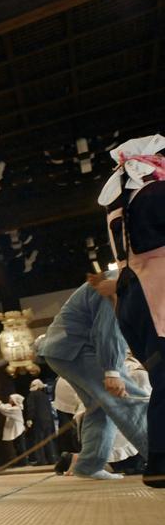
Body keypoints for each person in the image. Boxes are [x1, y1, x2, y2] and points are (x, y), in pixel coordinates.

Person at [99, 136, 165, 486]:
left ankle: (158, 460)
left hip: (132, 290)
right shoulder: (154, 193)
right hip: (157, 287)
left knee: (161, 377)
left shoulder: (118, 201)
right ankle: (159, 462)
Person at [37, 274, 149, 480]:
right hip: (76, 348)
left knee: (100, 410)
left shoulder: (131, 280)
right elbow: (108, 328)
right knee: (128, 400)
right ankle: (160, 456)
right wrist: (112, 370)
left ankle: (88, 464)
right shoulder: (119, 282)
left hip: (65, 350)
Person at [25, 379, 57, 465]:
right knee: (48, 440)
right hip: (48, 420)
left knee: (39, 440)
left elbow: (31, 408)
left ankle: (41, 460)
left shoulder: (32, 395)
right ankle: (51, 459)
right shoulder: (45, 396)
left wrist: (29, 419)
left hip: (38, 420)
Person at [0, 395, 27, 466]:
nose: (9, 400)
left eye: (11, 399)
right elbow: (6, 407)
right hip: (16, 430)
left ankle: (23, 462)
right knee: (17, 446)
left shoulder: (16, 409)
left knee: (20, 447)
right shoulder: (13, 407)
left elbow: (5, 410)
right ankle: (20, 461)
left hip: (18, 430)